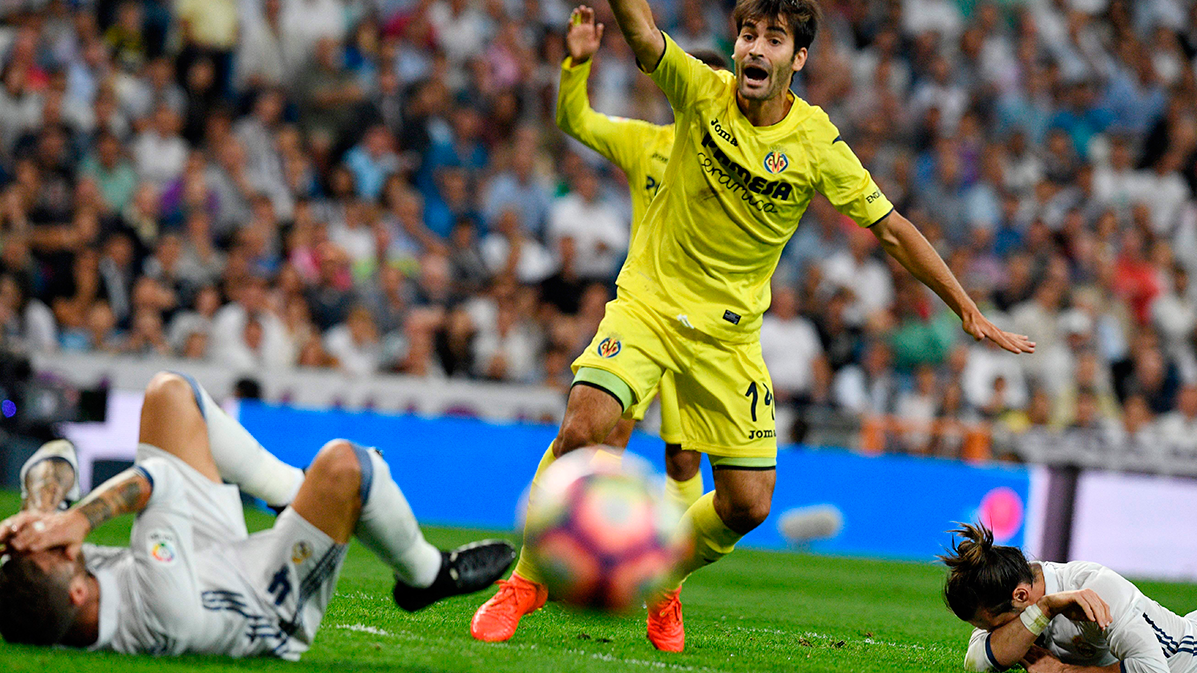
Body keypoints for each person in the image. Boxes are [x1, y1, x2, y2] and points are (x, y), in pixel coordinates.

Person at [471, 0, 1033, 653]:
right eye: (746, 34)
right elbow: (643, 34)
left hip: (728, 336)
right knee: (584, 427)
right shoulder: (700, 92)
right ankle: (525, 582)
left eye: (773, 38)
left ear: (798, 57)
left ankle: (663, 574)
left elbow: (891, 230)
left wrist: (964, 305)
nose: (755, 48)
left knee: (748, 503)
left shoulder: (815, 142)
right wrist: (581, 59)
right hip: (649, 306)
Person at [0, 372, 515, 658]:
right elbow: (161, 479)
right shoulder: (161, 611)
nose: (62, 545)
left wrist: (38, 514)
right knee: (347, 465)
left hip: (195, 561)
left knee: (169, 394)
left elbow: (56, 455)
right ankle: (427, 574)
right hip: (265, 596)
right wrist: (79, 519)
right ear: (78, 592)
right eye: (57, 551)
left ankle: (291, 490)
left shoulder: (56, 593)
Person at [554, 5, 731, 533]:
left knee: (685, 456)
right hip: (647, 312)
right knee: (609, 431)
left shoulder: (739, 162)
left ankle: (671, 563)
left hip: (705, 321)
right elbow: (575, 120)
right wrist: (577, 65)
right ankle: (584, 536)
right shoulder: (645, 143)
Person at [941, 523, 1195, 673]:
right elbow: (976, 662)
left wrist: (1065, 671)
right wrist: (1045, 608)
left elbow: (1153, 669)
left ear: (1021, 595)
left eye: (993, 626)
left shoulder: (1095, 587)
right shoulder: (1006, 591)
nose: (993, 633)